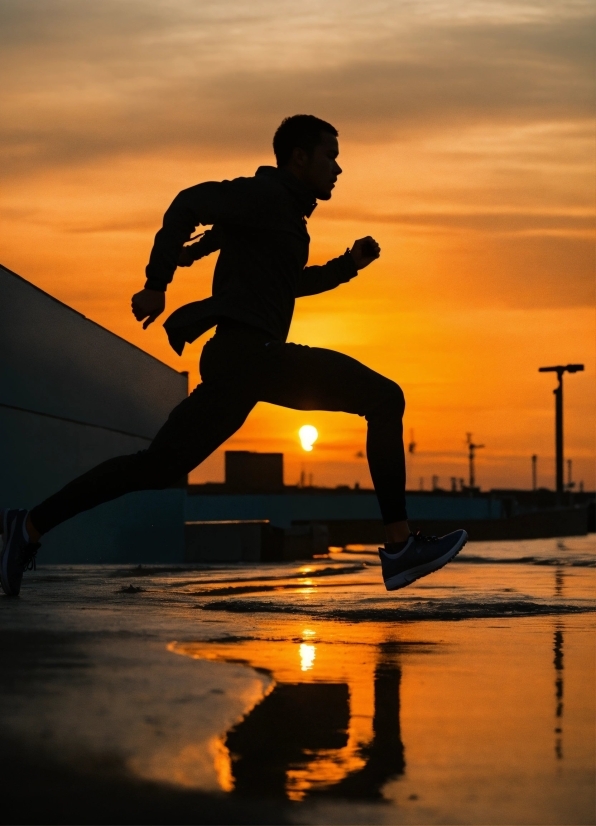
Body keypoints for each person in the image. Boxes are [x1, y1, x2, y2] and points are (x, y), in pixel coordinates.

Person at [1, 115, 467, 597]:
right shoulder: (264, 196)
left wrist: (347, 266)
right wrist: (157, 282)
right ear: (299, 157)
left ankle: (29, 526)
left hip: (241, 365)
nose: (338, 169)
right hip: (251, 356)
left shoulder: (286, 216)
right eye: (331, 156)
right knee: (385, 398)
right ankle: (399, 548)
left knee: (156, 467)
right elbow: (188, 202)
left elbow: (290, 286)